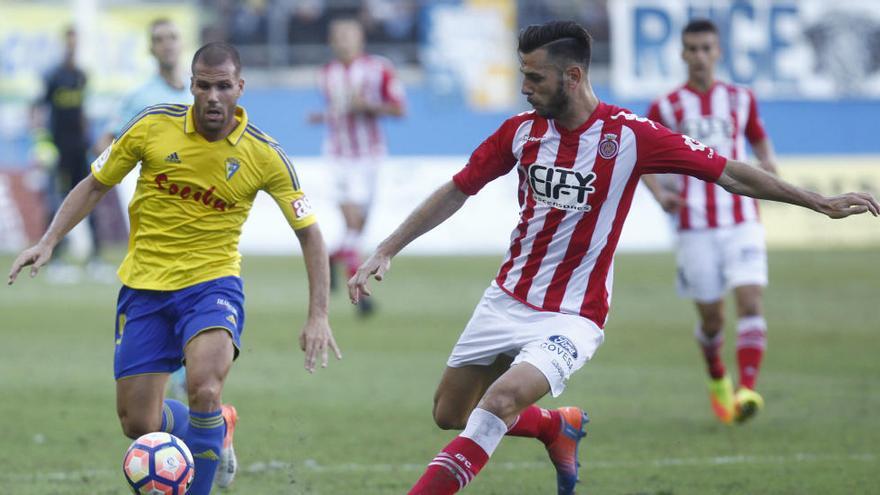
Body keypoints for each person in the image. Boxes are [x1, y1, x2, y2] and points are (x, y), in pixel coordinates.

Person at [348, 21, 878, 495]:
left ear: (572, 76)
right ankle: (556, 426)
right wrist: (387, 248)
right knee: (449, 414)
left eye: (534, 78)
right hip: (505, 297)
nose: (524, 88)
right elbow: (459, 188)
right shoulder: (520, 132)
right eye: (523, 76)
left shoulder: (629, 135)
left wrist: (817, 201)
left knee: (497, 404)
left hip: (574, 315)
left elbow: (731, 171)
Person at [9, 42, 341, 494]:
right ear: (192, 86)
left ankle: (205, 446)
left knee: (204, 386)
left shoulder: (265, 155)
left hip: (212, 284)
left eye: (223, 86)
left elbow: (310, 233)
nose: (213, 97)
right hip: (144, 286)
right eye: (204, 86)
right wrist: (49, 241)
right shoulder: (152, 125)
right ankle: (218, 428)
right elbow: (94, 184)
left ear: (240, 88)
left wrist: (318, 313)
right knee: (138, 423)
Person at [641, 18, 777, 425]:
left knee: (751, 300)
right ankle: (718, 374)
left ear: (718, 52)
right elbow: (643, 157)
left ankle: (746, 389)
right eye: (692, 49)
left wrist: (769, 163)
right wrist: (660, 193)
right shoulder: (665, 106)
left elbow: (758, 140)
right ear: (682, 54)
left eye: (707, 48)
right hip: (694, 225)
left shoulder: (741, 98)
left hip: (741, 218)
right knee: (713, 319)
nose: (700, 56)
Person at [95, 17, 194, 403]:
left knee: (192, 295)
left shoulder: (203, 94)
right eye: (158, 39)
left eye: (172, 37)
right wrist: (106, 174)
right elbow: (108, 139)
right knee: (161, 295)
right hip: (154, 219)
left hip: (201, 219)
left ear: (181, 44)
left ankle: (189, 387)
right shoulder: (140, 98)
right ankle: (178, 386)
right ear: (151, 50)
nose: (166, 44)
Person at [308, 17, 406, 315]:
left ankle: (328, 259)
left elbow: (399, 109)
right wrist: (322, 117)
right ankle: (361, 294)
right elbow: (339, 111)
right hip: (338, 157)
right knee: (352, 225)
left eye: (349, 35)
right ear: (331, 41)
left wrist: (369, 106)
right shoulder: (326, 74)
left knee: (358, 229)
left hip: (370, 157)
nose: (343, 41)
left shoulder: (379, 69)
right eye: (338, 36)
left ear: (361, 39)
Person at [38, 26, 108, 281]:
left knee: (91, 197)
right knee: (57, 201)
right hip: (59, 149)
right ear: (63, 44)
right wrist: (43, 143)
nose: (72, 47)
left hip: (79, 148)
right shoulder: (53, 76)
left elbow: (82, 111)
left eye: (75, 43)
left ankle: (95, 259)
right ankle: (55, 259)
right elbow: (38, 109)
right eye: (69, 42)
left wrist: (89, 138)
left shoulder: (81, 75)